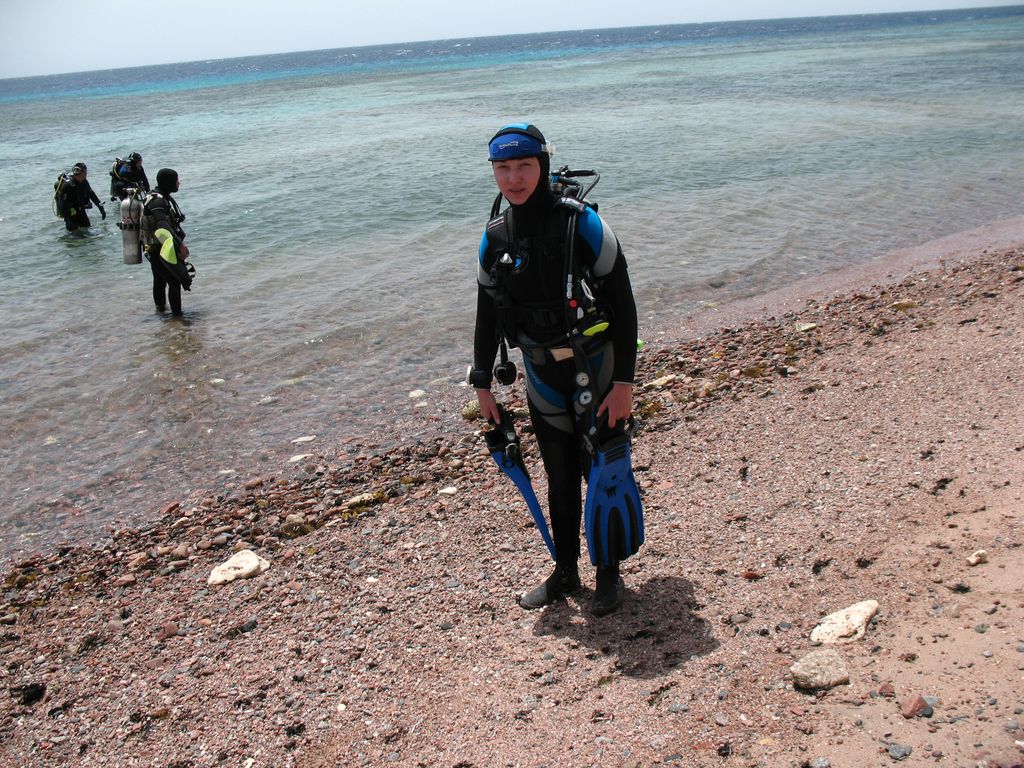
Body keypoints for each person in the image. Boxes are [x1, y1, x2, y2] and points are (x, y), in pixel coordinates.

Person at [470, 123, 641, 616]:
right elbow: (486, 314)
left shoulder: (581, 224)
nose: (514, 178)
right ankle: (565, 571)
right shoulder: (495, 238)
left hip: (595, 368)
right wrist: (482, 384)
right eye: (503, 168)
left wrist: (624, 385)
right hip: (541, 374)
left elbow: (624, 305)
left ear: (542, 166)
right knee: (558, 474)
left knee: (602, 469)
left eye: (524, 166)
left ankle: (608, 573)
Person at [142, 168, 191, 316]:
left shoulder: (161, 196)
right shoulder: (157, 201)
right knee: (174, 281)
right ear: (169, 182)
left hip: (155, 246)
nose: (178, 183)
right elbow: (161, 223)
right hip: (160, 248)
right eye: (176, 180)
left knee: (159, 280)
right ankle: (177, 316)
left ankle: (161, 311)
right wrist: (180, 244)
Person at [57, 163, 105, 232]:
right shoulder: (67, 185)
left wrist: (101, 208)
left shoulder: (84, 182)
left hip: (81, 210)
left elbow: (92, 195)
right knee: (73, 234)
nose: (86, 174)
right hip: (70, 214)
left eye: (86, 172)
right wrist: (71, 210)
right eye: (85, 172)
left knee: (87, 229)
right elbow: (62, 203)